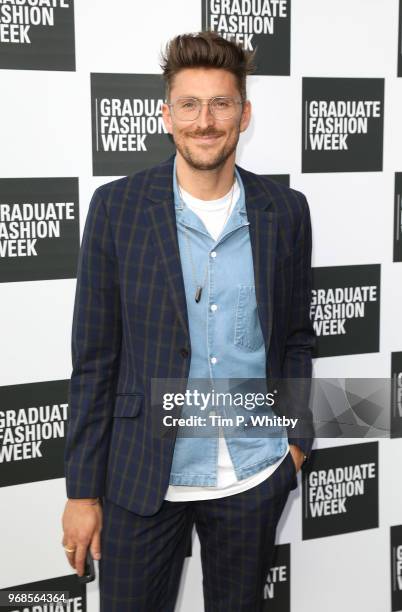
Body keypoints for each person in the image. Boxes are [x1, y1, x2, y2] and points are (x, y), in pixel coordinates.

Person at [61, 30, 315, 612]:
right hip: (142, 478)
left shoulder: (286, 212)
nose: (206, 120)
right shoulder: (117, 208)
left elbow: (297, 339)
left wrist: (295, 444)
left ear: (244, 114)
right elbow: (94, 360)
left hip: (253, 476)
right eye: (190, 105)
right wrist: (82, 492)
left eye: (221, 103)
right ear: (166, 115)